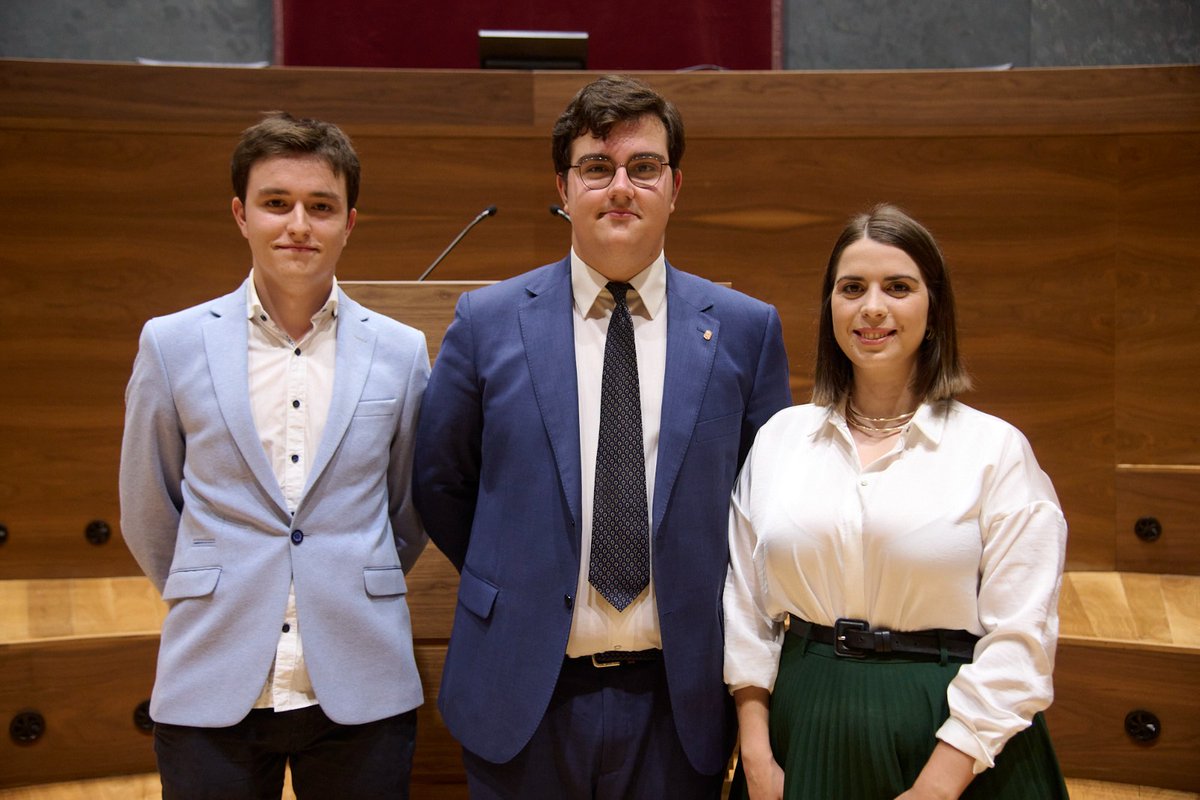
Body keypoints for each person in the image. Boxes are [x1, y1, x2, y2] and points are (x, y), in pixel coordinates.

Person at [413, 74, 792, 799]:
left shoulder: (746, 329)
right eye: (597, 167)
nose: (621, 186)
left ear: (675, 187)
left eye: (643, 167)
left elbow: (762, 507)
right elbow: (440, 482)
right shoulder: (487, 322)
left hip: (678, 699)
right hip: (522, 689)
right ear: (564, 185)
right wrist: (527, 574)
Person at [119, 112, 430, 799]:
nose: (299, 224)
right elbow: (148, 506)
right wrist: (214, 581)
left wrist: (347, 573)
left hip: (360, 675)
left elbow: (409, 507)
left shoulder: (403, 352)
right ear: (241, 214)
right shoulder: (171, 345)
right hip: (213, 671)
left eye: (321, 206)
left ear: (350, 221)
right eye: (276, 203)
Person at [724, 204, 1069, 799]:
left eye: (899, 287)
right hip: (805, 729)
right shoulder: (780, 439)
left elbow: (1023, 638)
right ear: (831, 305)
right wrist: (755, 751)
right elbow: (746, 609)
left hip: (957, 742)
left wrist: (939, 784)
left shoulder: (995, 450)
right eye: (852, 288)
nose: (872, 307)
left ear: (933, 309)